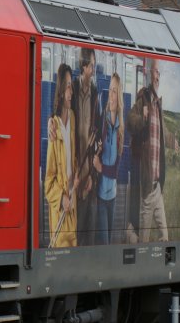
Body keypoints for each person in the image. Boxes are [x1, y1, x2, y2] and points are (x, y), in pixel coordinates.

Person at [129, 58, 168, 242]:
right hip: (147, 187)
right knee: (143, 243)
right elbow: (130, 122)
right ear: (148, 75)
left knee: (164, 236)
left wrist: (173, 141)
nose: (157, 76)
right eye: (155, 71)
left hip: (157, 188)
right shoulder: (143, 100)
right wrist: (142, 119)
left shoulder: (158, 106)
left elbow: (162, 135)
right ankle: (131, 237)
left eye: (159, 73)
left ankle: (160, 267)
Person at [44, 64, 79, 248]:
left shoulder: (72, 117)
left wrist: (77, 178)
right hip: (61, 211)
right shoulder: (54, 127)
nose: (70, 91)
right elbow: (48, 182)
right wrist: (62, 198)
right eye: (66, 86)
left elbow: (73, 161)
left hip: (73, 207)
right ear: (60, 90)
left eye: (71, 86)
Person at [73, 48, 100, 246]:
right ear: (84, 67)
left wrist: (92, 174)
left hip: (88, 170)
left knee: (89, 227)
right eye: (91, 65)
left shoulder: (95, 92)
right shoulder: (72, 89)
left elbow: (96, 133)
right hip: (74, 168)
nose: (94, 69)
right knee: (76, 226)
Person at [97, 73, 124, 246]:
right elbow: (93, 149)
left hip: (113, 198)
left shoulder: (121, 129)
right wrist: (97, 152)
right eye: (110, 90)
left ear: (119, 96)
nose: (111, 95)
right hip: (100, 196)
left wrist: (101, 168)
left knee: (108, 243)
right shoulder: (102, 121)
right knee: (105, 244)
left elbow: (115, 172)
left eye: (115, 91)